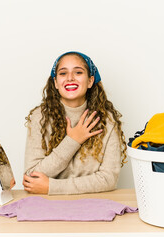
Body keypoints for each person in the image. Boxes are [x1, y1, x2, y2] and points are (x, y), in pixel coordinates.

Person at [23, 51, 127, 195]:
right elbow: (31, 177)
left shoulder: (107, 121)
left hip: (94, 205)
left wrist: (52, 187)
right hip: (48, 206)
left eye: (78, 72)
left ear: (90, 81)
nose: (70, 78)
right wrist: (73, 140)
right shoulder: (40, 118)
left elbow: (108, 179)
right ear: (55, 83)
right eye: (63, 73)